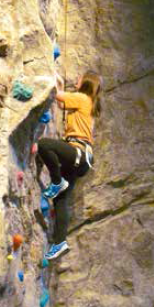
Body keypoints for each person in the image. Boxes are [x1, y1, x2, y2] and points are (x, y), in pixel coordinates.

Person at [38, 72, 102, 260]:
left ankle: (57, 181)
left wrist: (55, 82)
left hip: (77, 152)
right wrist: (59, 83)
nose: (77, 80)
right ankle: (60, 243)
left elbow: (57, 96)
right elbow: (62, 102)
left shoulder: (83, 98)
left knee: (44, 145)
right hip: (82, 159)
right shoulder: (88, 102)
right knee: (60, 200)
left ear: (86, 82)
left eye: (80, 78)